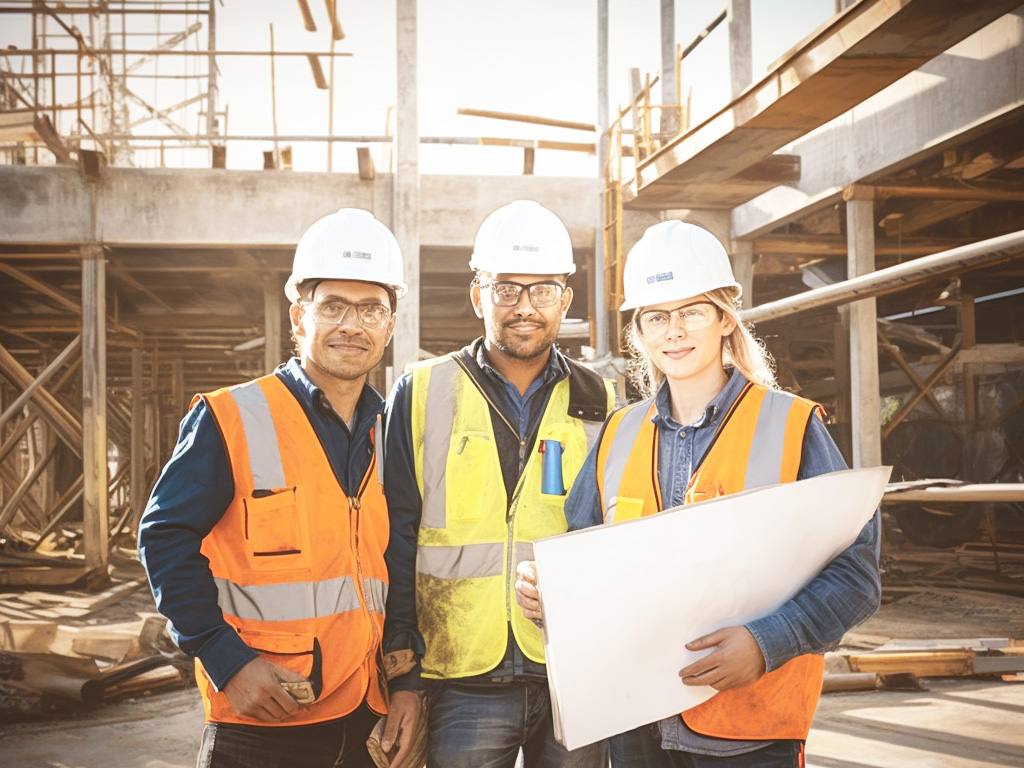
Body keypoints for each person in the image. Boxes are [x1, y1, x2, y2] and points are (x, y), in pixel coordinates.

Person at [516, 220, 882, 768]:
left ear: (724, 318)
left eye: (692, 312)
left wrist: (768, 642)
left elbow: (858, 576)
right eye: (657, 317)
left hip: (750, 733)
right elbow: (587, 562)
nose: (674, 331)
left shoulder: (791, 425)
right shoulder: (617, 435)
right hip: (636, 728)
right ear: (639, 330)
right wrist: (556, 599)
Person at [138, 208, 417, 768]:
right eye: (333, 306)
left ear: (390, 324)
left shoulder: (391, 431)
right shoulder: (231, 417)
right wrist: (225, 660)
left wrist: (406, 681)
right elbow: (164, 538)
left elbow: (397, 563)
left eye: (371, 309)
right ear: (299, 316)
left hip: (367, 714)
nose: (351, 325)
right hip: (265, 713)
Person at [381, 200, 616, 768]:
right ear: (478, 295)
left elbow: (617, 536)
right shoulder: (422, 392)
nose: (524, 307)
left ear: (565, 298)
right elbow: (395, 538)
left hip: (572, 667)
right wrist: (403, 671)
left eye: (542, 290)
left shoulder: (601, 401)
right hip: (461, 674)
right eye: (507, 289)